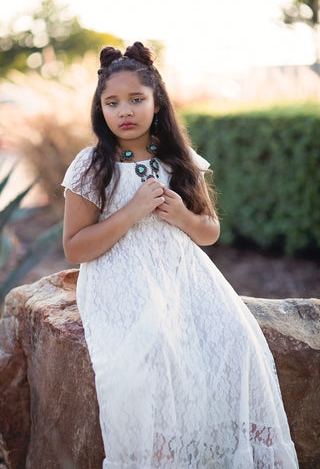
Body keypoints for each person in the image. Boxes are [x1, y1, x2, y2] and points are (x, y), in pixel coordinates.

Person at [62, 42, 299, 469]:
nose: (125, 111)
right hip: (120, 277)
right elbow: (75, 246)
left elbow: (210, 232)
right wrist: (132, 212)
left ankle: (224, 454)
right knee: (154, 350)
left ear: (157, 102)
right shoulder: (92, 165)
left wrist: (182, 217)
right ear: (100, 109)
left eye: (137, 99)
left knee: (238, 338)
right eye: (112, 103)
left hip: (185, 276)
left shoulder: (178, 159)